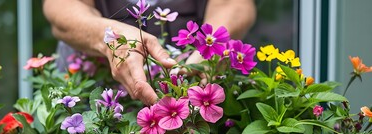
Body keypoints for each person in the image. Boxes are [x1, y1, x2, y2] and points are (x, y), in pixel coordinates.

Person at [42, 0, 256, 105]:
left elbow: (235, 5)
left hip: (195, 88)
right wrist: (110, 37)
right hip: (92, 87)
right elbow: (63, 6)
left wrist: (211, 47)